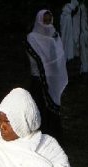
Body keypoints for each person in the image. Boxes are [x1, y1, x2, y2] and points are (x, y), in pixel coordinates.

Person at [26, 10, 68, 141]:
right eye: (45, 20)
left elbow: (59, 57)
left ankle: (52, 133)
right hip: (39, 80)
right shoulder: (32, 37)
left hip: (52, 79)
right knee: (39, 106)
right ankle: (38, 135)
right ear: (39, 20)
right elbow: (36, 58)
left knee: (52, 108)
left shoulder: (54, 36)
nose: (47, 23)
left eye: (49, 20)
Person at [60, 0, 88, 76]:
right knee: (70, 53)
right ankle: (70, 73)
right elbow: (64, 19)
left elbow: (84, 21)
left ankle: (82, 71)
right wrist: (72, 12)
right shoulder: (68, 7)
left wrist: (84, 33)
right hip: (71, 35)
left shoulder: (82, 7)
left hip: (81, 35)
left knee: (82, 53)